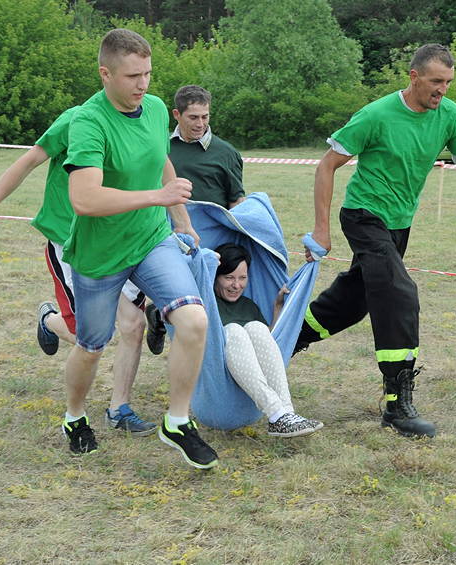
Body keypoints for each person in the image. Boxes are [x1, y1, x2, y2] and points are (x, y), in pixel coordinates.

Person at [294, 43, 456, 439]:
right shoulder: (376, 115)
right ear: (414, 77)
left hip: (399, 225)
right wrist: (321, 229)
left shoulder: (451, 116)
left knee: (354, 301)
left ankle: (283, 341)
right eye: (435, 81)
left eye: (448, 82)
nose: (442, 90)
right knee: (399, 293)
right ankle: (397, 404)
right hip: (363, 215)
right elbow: (327, 166)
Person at [61, 28, 218, 469]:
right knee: (91, 345)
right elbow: (84, 199)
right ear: (105, 74)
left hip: (151, 239)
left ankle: (177, 421)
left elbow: (158, 159)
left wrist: (180, 218)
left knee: (194, 320)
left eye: (147, 74)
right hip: (100, 253)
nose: (143, 85)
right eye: (133, 76)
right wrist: (157, 197)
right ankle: (75, 416)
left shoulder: (154, 109)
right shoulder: (88, 122)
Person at [0, 107, 157, 438]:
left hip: (116, 242)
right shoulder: (77, 119)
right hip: (71, 243)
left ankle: (119, 409)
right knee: (90, 338)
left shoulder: (142, 120)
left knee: (134, 324)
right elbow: (28, 161)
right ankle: (49, 321)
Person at [143, 84, 247, 355]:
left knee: (203, 304)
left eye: (205, 116)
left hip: (211, 241)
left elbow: (236, 200)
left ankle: (162, 319)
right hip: (167, 234)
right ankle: (160, 317)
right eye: (193, 117)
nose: (201, 123)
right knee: (180, 293)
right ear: (176, 114)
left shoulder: (226, 153)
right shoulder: (161, 147)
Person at [213, 243, 323, 437]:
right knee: (234, 331)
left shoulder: (248, 306)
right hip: (217, 374)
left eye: (242, 278)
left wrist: (278, 306)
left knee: (256, 327)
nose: (236, 285)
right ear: (215, 276)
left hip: (251, 374)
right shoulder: (206, 304)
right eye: (229, 278)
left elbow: (267, 344)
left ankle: (286, 412)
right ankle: (276, 412)